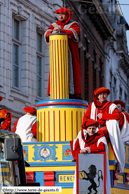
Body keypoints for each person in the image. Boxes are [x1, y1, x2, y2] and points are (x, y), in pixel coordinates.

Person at [83, 87, 125, 172]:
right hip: (93, 128)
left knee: (100, 135)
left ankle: (94, 155)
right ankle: (82, 156)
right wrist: (85, 127)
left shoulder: (111, 106)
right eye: (100, 94)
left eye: (104, 94)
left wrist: (104, 116)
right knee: (81, 134)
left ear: (107, 95)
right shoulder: (92, 105)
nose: (102, 96)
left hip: (105, 129)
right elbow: (86, 117)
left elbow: (117, 116)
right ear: (97, 96)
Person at [44, 7, 81, 99]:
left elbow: (73, 32)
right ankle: (55, 91)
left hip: (70, 53)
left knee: (71, 73)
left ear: (67, 15)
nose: (60, 16)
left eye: (62, 14)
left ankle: (71, 93)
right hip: (57, 54)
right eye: (59, 14)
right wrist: (52, 32)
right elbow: (47, 32)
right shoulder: (54, 25)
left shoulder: (73, 24)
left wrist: (61, 31)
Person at [71, 118, 111, 194]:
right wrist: (80, 151)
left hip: (97, 163)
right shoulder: (81, 138)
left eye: (93, 128)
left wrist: (90, 149)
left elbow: (102, 147)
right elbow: (76, 149)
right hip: (84, 163)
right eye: (89, 128)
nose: (91, 130)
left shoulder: (100, 137)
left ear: (96, 129)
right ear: (86, 129)